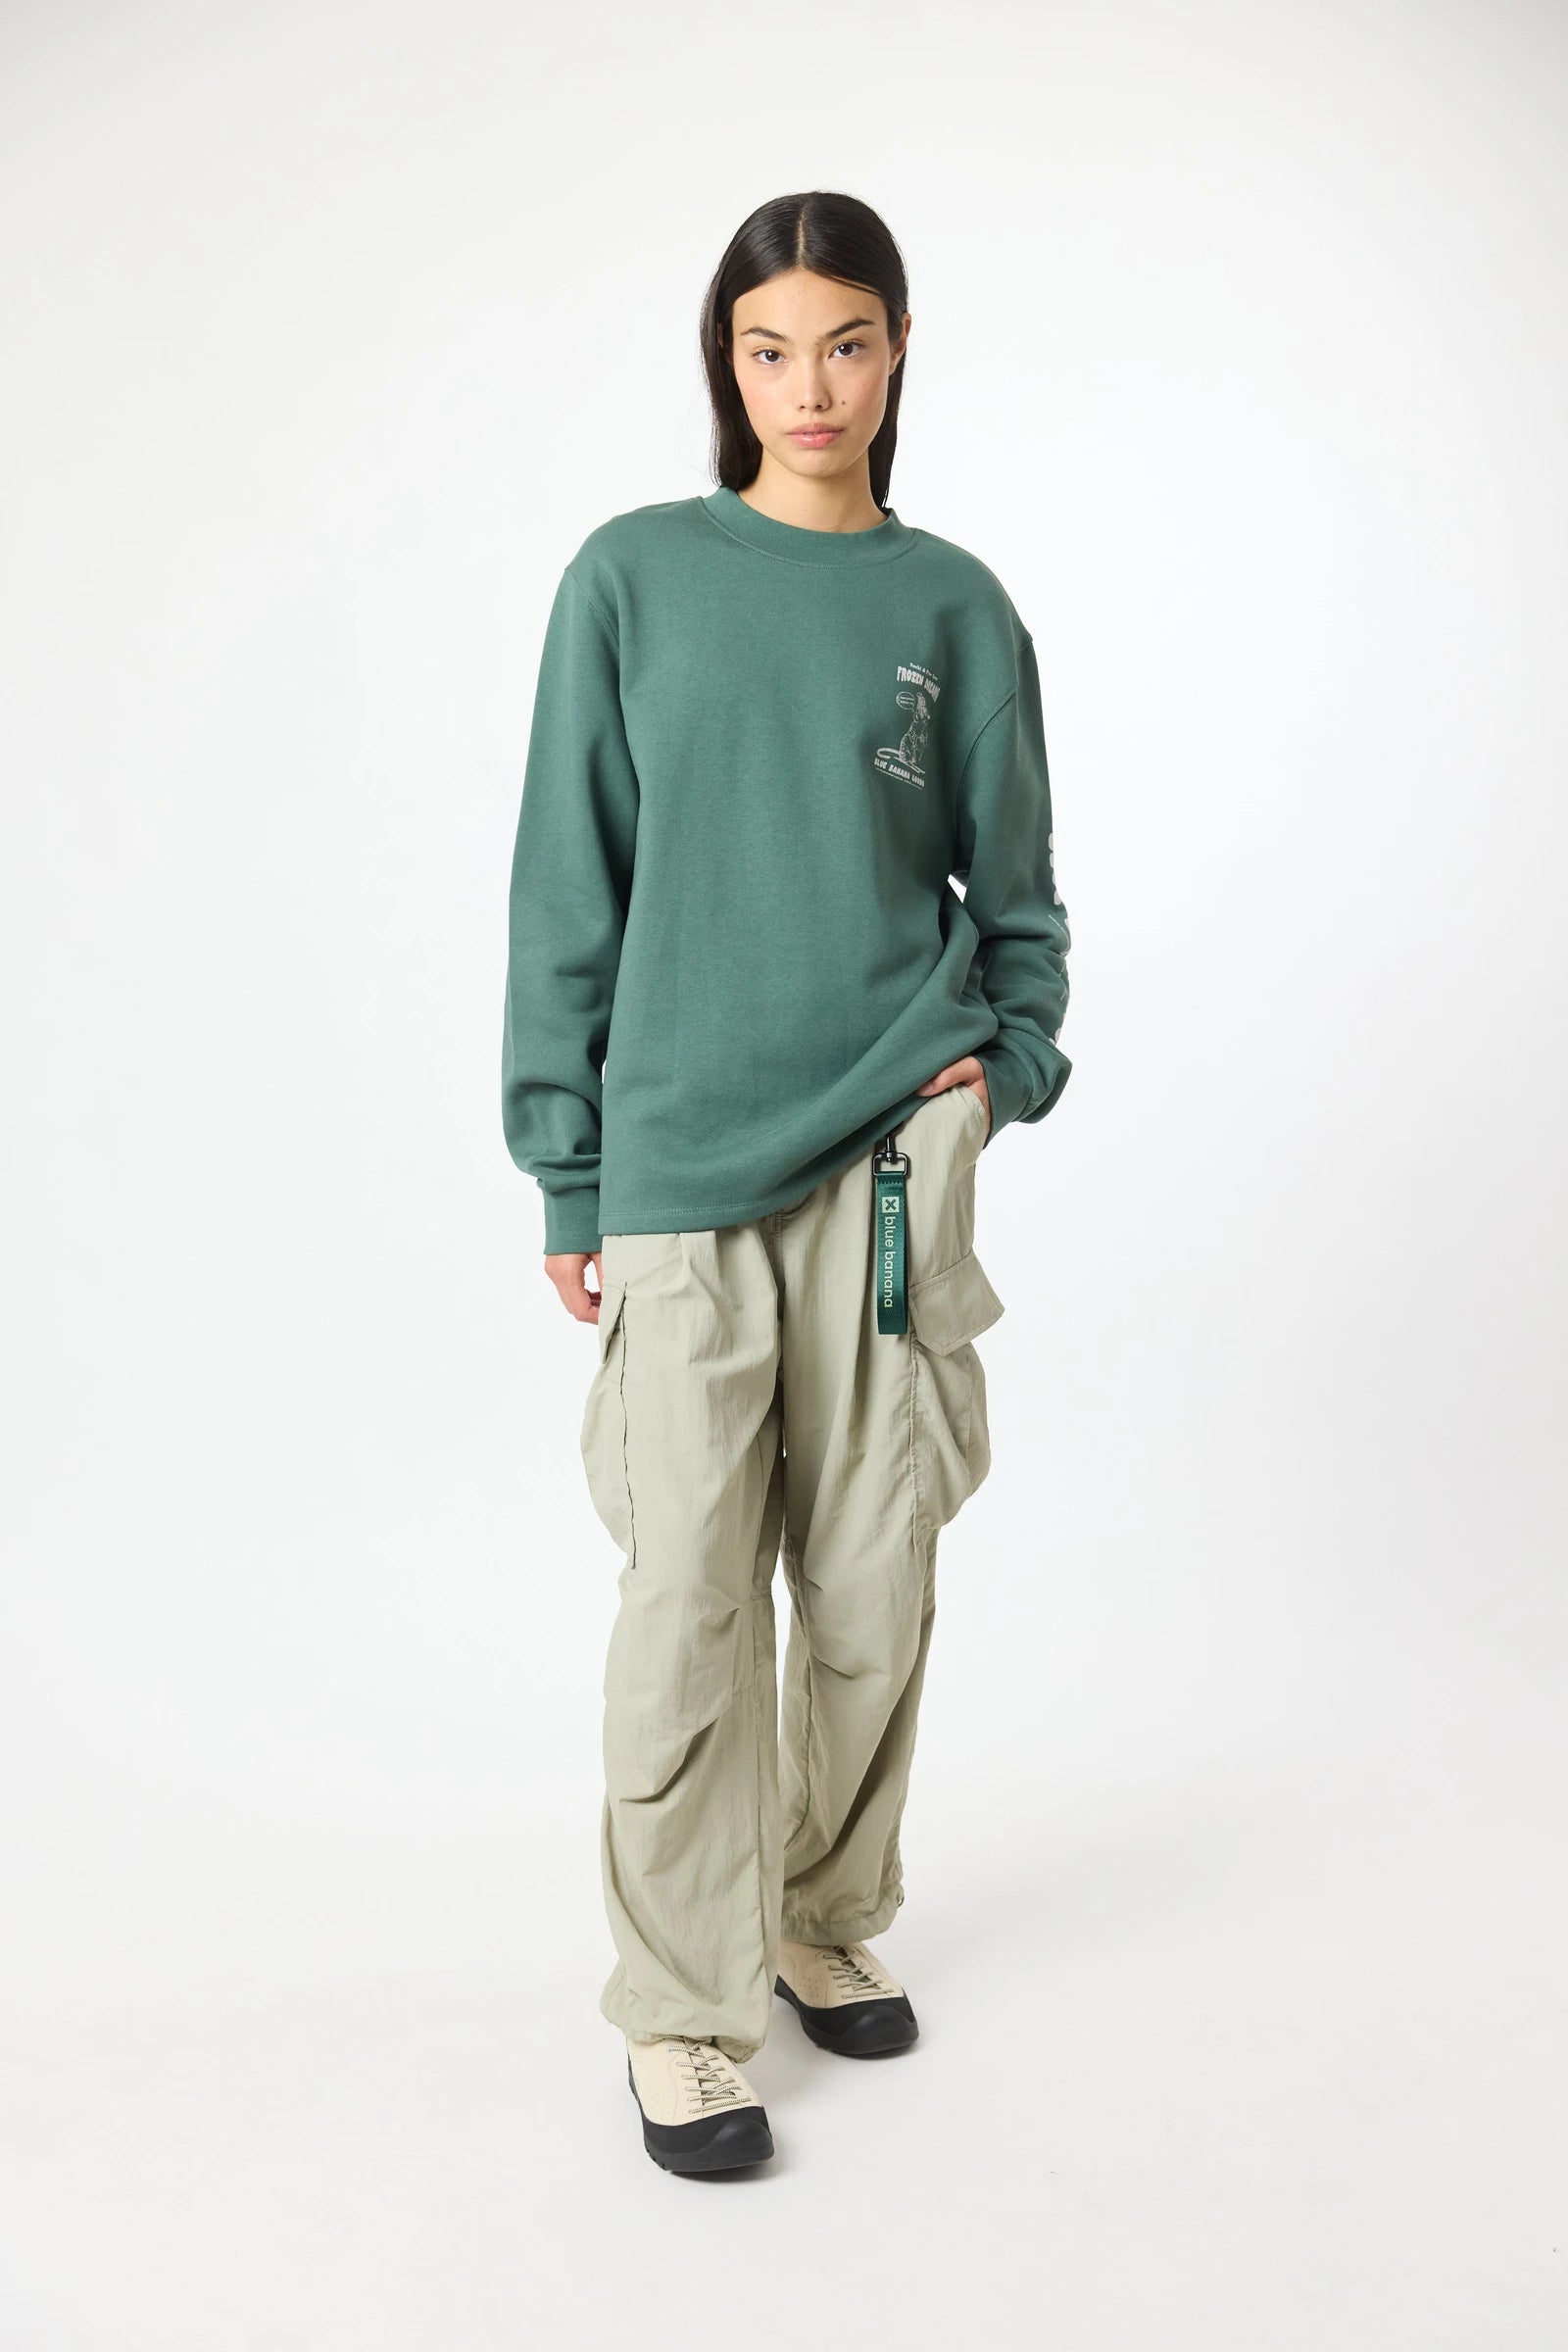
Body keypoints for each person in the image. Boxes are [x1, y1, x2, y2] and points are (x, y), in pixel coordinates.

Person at [501, 189, 1072, 2176]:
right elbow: (565, 883)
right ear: (723, 363)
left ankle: (822, 1916)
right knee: (684, 1602)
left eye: (844, 342)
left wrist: (1000, 1074)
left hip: (886, 1170)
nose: (807, 385)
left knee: (868, 1582)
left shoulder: (953, 606)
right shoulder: (633, 578)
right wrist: (567, 1170)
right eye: (768, 348)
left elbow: (1020, 905)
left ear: (896, 351)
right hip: (676, 1165)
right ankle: (683, 2015)